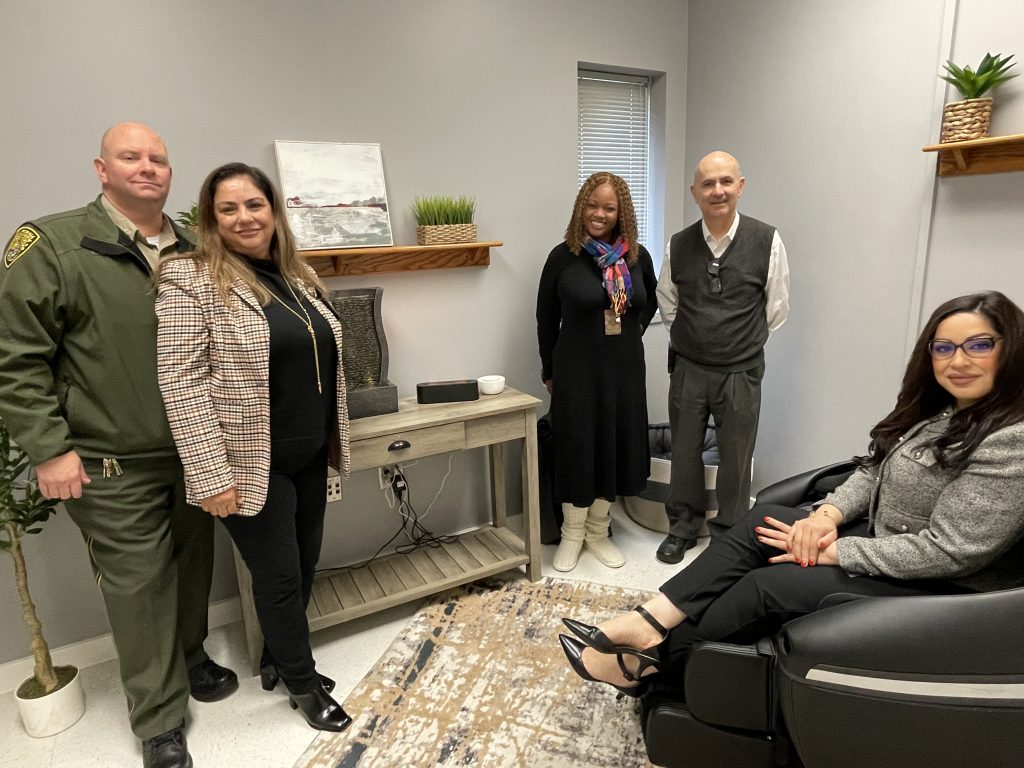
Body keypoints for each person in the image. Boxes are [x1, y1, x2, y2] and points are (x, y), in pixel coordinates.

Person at [559, 290, 1024, 695]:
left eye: (979, 345)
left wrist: (838, 552)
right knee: (761, 523)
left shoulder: (1010, 439)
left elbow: (951, 552)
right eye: (944, 348)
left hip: (942, 588)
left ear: (1011, 350)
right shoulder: (941, 411)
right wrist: (826, 516)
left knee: (766, 586)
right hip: (887, 542)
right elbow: (872, 470)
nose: (958, 360)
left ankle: (647, 665)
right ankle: (647, 622)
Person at [0, 122, 236, 768]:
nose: (147, 167)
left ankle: (190, 659)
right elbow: (16, 359)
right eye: (130, 156)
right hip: (109, 462)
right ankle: (159, 720)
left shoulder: (194, 250)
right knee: (139, 588)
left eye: (158, 158)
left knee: (192, 570)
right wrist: (49, 448)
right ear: (101, 169)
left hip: (191, 455)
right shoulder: (53, 245)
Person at [155, 162, 353, 733]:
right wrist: (210, 475)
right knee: (280, 577)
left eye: (254, 205)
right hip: (247, 464)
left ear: (273, 210)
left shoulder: (300, 276)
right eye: (228, 208)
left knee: (306, 562)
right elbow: (182, 383)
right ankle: (302, 682)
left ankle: (275, 657)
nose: (245, 217)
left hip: (311, 453)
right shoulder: (189, 280)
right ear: (212, 219)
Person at [655, 151, 790, 564]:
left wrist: (736, 343)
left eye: (726, 182)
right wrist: (698, 339)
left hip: (741, 372)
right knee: (685, 451)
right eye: (708, 184)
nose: (718, 191)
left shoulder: (767, 240)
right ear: (695, 192)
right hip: (689, 369)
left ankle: (729, 537)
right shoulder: (678, 244)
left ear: (741, 186)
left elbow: (776, 308)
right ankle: (682, 526)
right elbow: (668, 302)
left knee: (736, 457)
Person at [536, 172, 659, 572]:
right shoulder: (563, 257)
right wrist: (549, 370)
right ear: (580, 207)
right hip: (576, 371)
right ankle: (572, 534)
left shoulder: (637, 257)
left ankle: (598, 531)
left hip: (624, 371)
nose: (599, 214)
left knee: (615, 446)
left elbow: (649, 301)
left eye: (609, 208)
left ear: (620, 212)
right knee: (578, 447)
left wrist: (629, 336)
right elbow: (544, 319)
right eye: (592, 205)